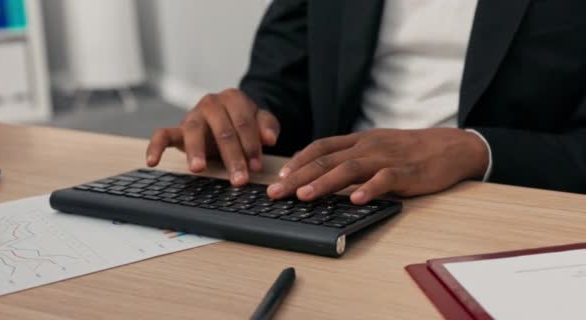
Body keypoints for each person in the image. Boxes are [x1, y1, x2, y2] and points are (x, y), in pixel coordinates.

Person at [146, 0, 586, 204]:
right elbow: (281, 80)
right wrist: (247, 120)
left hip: (501, 208)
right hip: (340, 199)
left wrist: (477, 150)